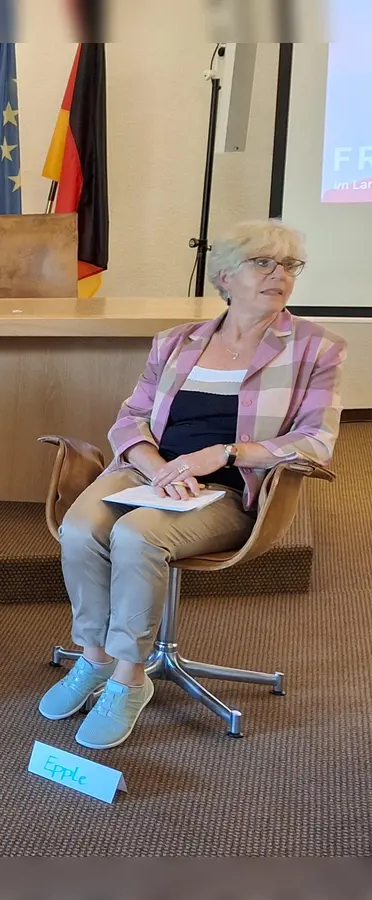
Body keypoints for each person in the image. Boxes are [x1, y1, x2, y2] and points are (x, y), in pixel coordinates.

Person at [41, 219, 345, 749]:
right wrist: (157, 465)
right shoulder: (176, 342)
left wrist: (226, 453)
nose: (280, 275)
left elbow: (315, 440)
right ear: (225, 276)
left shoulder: (317, 349)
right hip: (149, 475)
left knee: (138, 535)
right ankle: (93, 657)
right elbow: (130, 417)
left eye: (290, 265)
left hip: (231, 489)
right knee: (80, 527)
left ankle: (129, 679)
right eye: (263, 262)